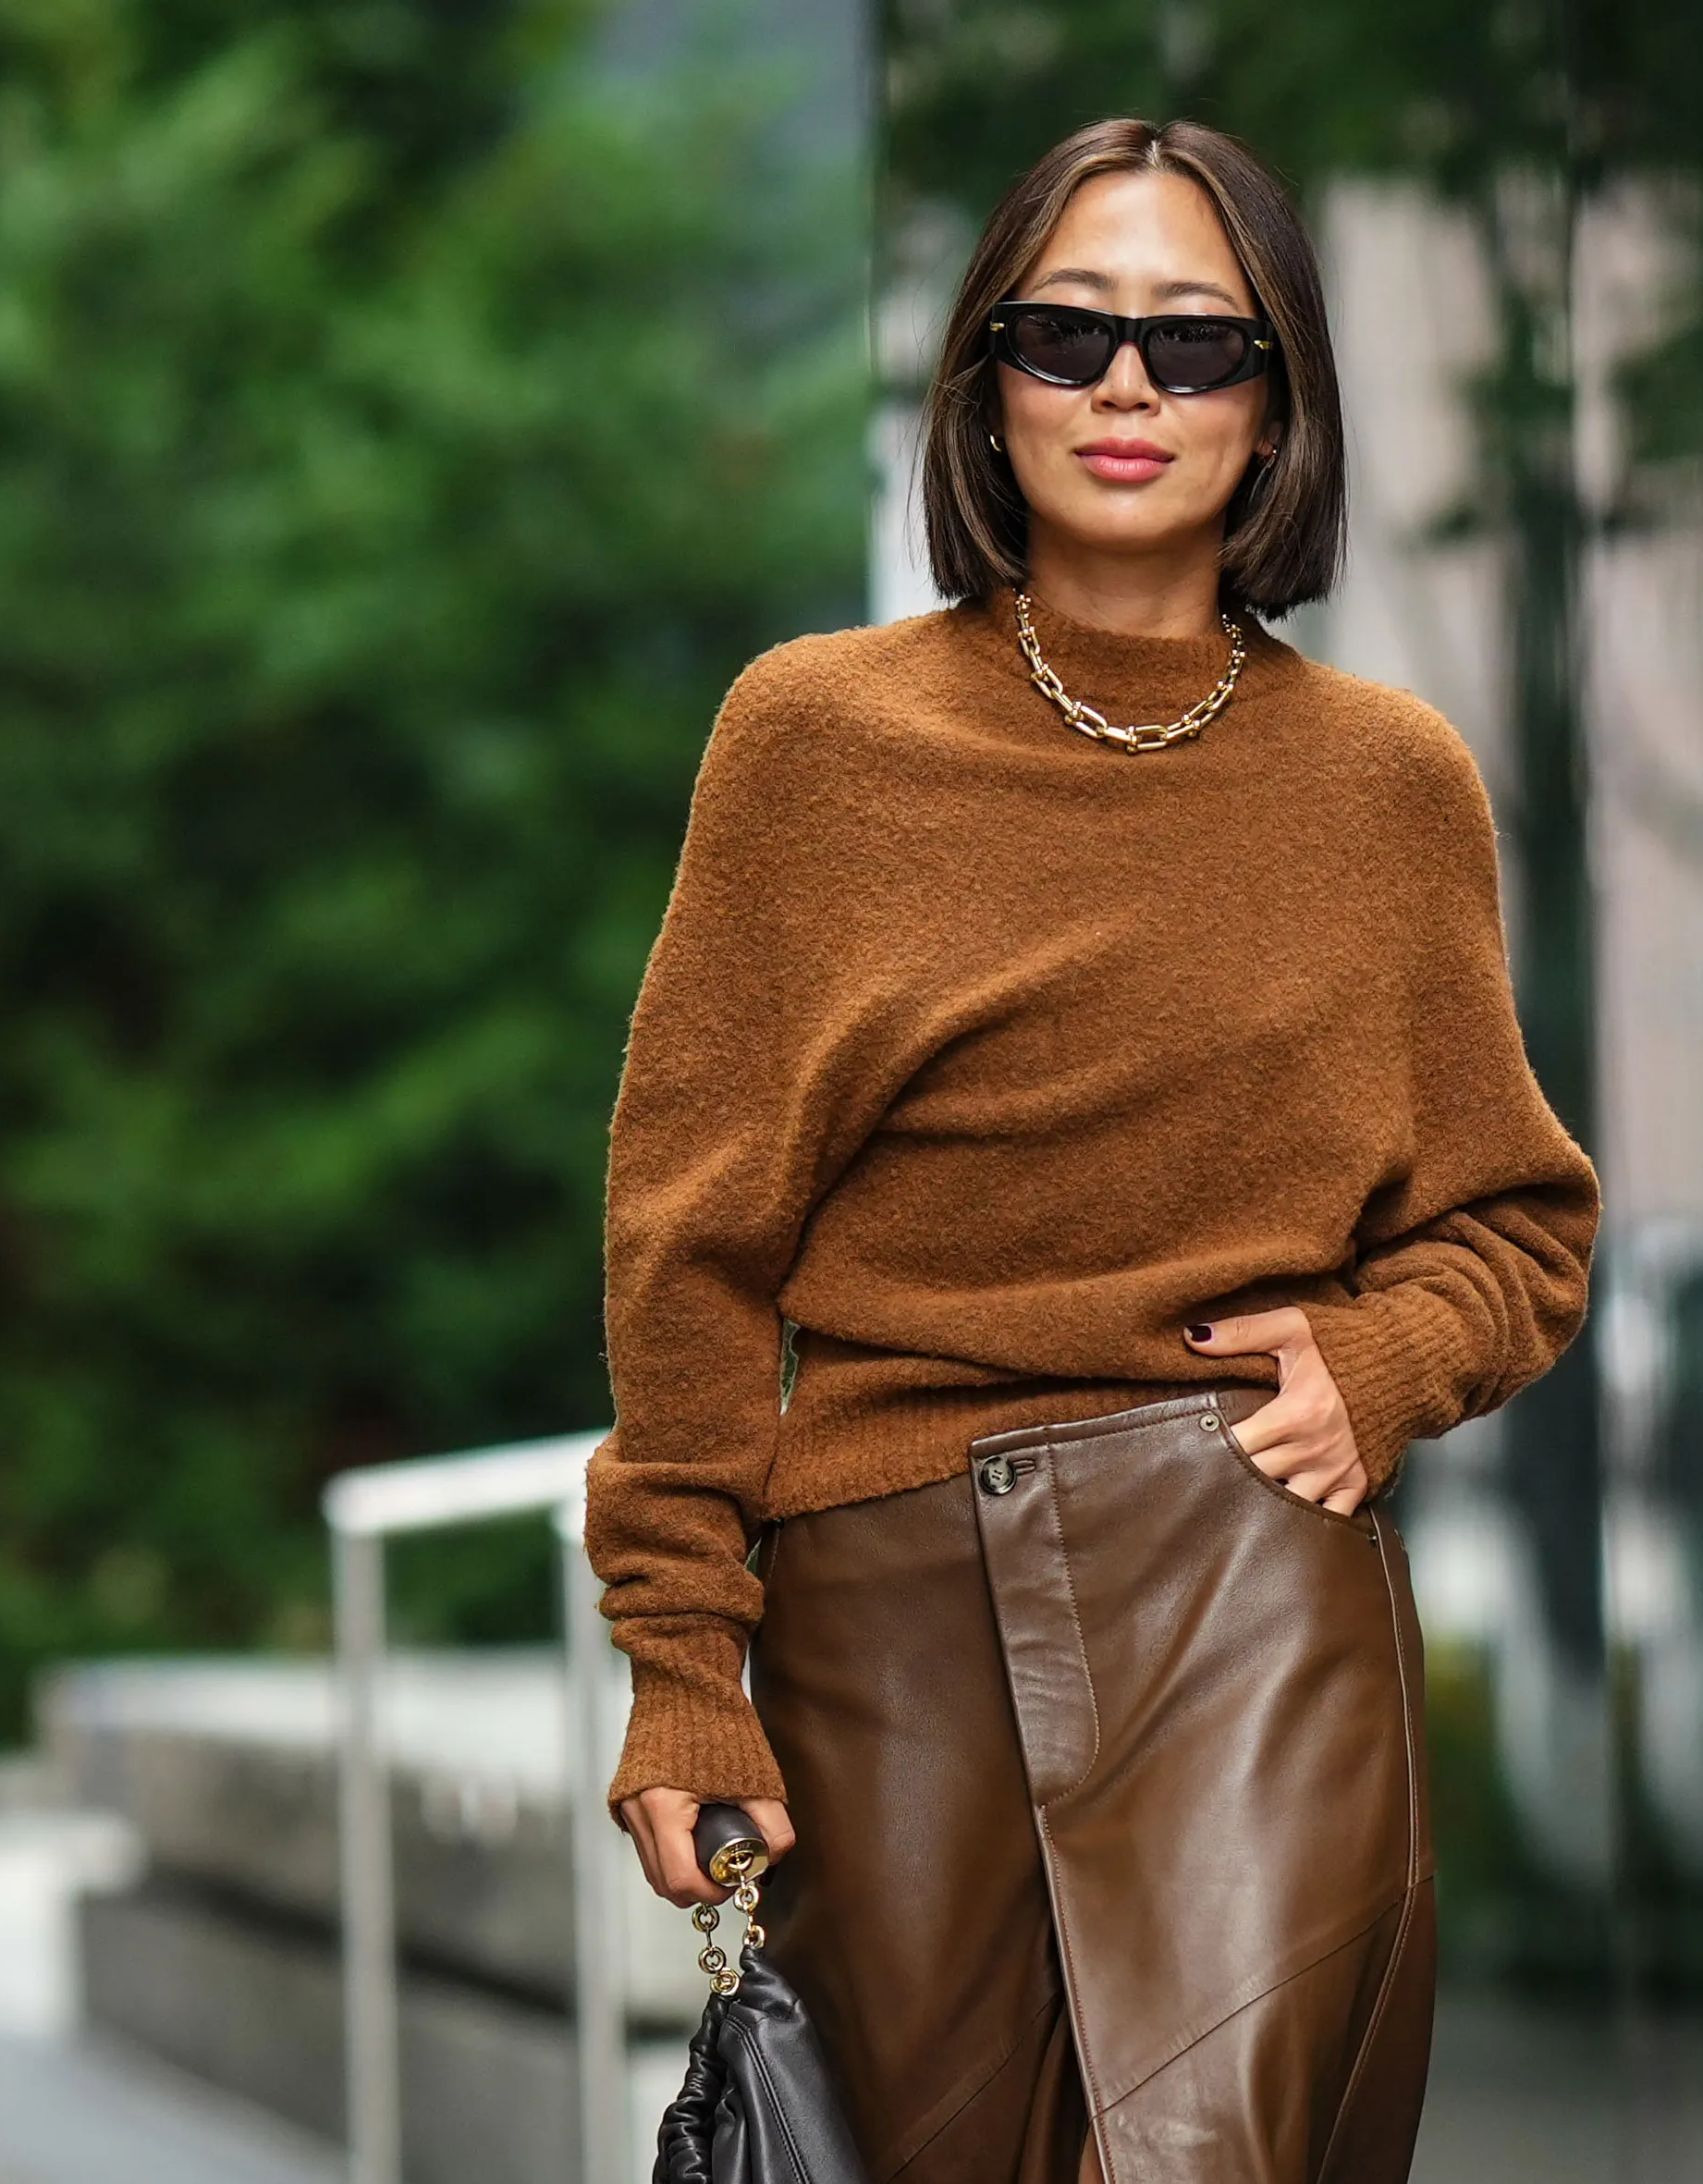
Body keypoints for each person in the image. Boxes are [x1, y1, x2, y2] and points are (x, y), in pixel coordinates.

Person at [583, 119, 1600, 2184]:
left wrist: (1385, 1357)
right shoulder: (815, 739)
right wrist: (687, 1661)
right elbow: (688, 1237)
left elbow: (1518, 1220)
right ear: (983, 383)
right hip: (888, 1610)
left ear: (1276, 398)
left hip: (1245, 1582)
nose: (1126, 389)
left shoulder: (1387, 782)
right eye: (1064, 336)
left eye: (1193, 344)